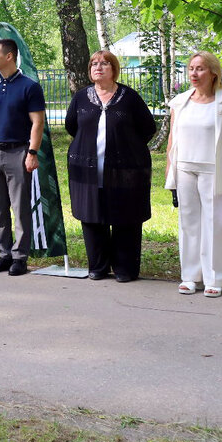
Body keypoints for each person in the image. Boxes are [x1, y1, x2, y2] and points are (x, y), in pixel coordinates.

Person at [64, 50, 156, 282]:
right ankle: (98, 266)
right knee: (92, 215)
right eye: (94, 63)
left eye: (105, 63)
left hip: (125, 169)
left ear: (114, 69)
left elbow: (147, 127)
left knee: (126, 215)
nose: (99, 67)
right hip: (87, 168)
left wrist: (126, 148)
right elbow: (72, 126)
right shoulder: (81, 97)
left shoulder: (129, 97)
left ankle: (125, 269)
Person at [165, 51, 222, 297]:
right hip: (185, 169)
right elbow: (173, 137)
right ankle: (190, 276)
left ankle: (214, 278)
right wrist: (169, 168)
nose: (194, 73)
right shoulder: (180, 101)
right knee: (188, 223)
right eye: (191, 68)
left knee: (214, 224)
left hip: (215, 170)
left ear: (213, 73)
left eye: (200, 68)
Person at [0, 38, 46, 276]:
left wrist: (32, 153)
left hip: (18, 152)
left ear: (9, 56)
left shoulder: (30, 86)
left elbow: (37, 122)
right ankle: (4, 254)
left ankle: (20, 257)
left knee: (20, 207)